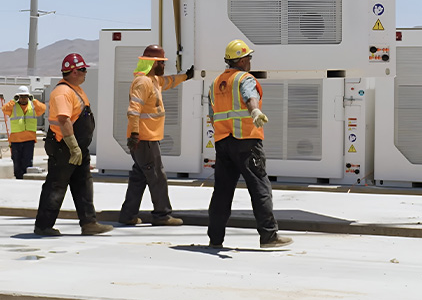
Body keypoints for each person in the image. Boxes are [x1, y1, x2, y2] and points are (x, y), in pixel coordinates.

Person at [207, 39, 293, 249]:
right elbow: (249, 97)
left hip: (223, 143)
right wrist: (255, 111)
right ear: (243, 60)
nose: (250, 61)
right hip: (246, 142)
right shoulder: (244, 78)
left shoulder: (216, 82)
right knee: (259, 187)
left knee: (222, 192)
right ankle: (268, 236)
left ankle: (215, 239)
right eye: (249, 58)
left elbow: (212, 114)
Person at [33, 53, 112, 237]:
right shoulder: (63, 92)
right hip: (64, 148)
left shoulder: (75, 89)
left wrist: (79, 149)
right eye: (83, 70)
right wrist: (73, 146)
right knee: (56, 186)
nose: (85, 73)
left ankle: (89, 223)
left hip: (77, 149)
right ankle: (43, 226)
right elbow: (64, 119)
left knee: (83, 185)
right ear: (74, 71)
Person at [118, 45, 195, 226]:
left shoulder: (154, 81)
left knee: (140, 177)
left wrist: (186, 76)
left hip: (147, 139)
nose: (163, 66)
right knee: (157, 177)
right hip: (145, 139)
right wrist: (135, 134)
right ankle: (162, 215)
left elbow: (169, 81)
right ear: (153, 63)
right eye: (161, 63)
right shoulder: (143, 82)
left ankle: (128, 215)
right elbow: (133, 110)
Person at [2, 85, 45, 180]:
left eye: (25, 97)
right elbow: (4, 109)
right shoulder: (13, 107)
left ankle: (26, 177)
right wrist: (13, 100)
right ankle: (18, 178)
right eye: (21, 97)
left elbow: (42, 109)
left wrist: (34, 100)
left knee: (28, 161)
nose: (23, 99)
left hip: (29, 139)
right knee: (16, 161)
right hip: (16, 139)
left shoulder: (32, 106)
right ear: (18, 97)